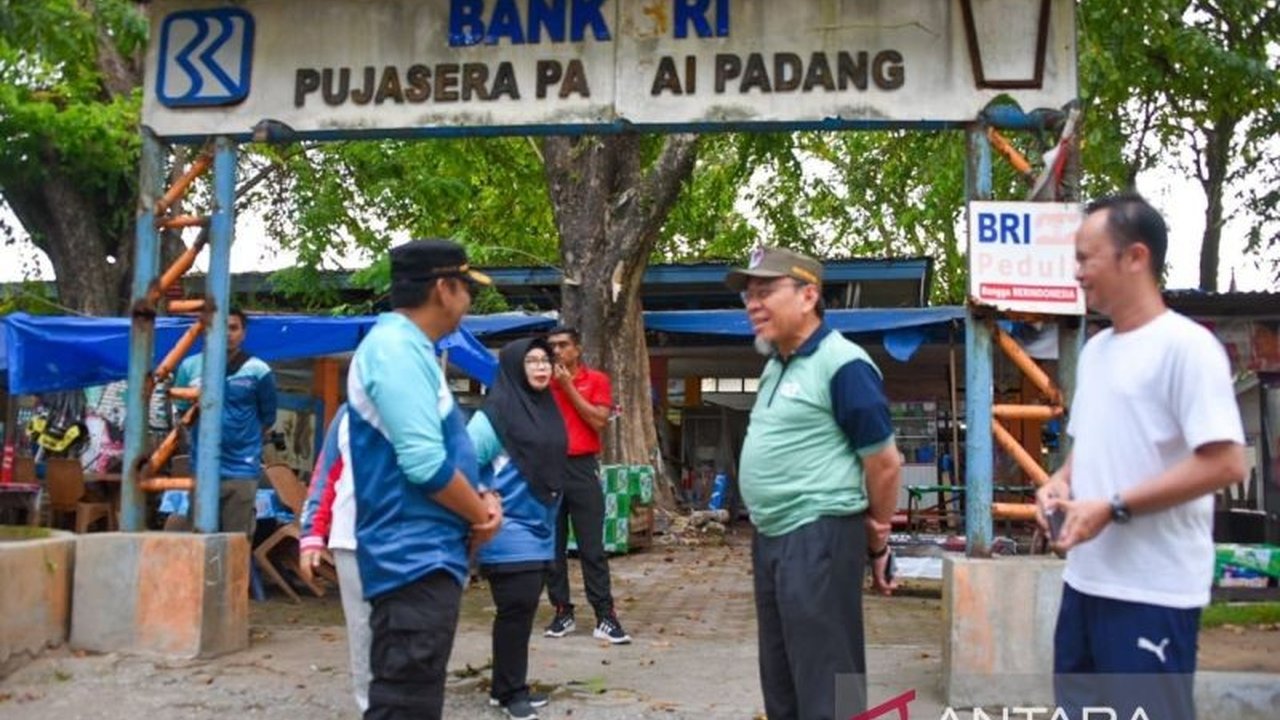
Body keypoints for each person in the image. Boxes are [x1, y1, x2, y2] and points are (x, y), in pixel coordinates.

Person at [1037, 194, 1246, 720]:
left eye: (1087, 258)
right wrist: (1060, 482)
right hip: (1085, 584)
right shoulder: (1098, 349)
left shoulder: (1188, 348)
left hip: (1153, 592)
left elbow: (1226, 463)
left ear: (1135, 257)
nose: (1077, 272)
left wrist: (1113, 506)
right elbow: (1088, 448)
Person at [726, 246, 901, 720]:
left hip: (819, 534)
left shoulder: (843, 364)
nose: (752, 304)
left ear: (808, 296)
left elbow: (884, 463)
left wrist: (877, 532)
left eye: (765, 291)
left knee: (826, 677)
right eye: (748, 295)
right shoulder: (774, 365)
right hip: (773, 537)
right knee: (781, 674)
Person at [346, 239, 503, 720]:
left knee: (416, 696)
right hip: (410, 559)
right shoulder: (396, 350)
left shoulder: (412, 349)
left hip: (426, 555)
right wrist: (481, 515)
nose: (470, 301)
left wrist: (477, 496)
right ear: (443, 288)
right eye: (467, 288)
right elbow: (423, 464)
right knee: (405, 704)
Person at [468, 338, 568, 720]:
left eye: (546, 361)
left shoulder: (545, 406)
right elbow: (466, 457)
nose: (542, 368)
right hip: (507, 525)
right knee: (517, 606)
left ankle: (504, 687)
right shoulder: (497, 412)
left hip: (541, 521)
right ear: (513, 366)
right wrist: (483, 493)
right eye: (532, 361)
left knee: (522, 609)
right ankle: (512, 693)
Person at [542, 325, 630, 644]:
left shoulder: (596, 380)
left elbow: (598, 421)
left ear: (577, 349)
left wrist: (567, 387)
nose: (557, 351)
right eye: (552, 346)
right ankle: (562, 611)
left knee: (592, 547)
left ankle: (605, 616)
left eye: (563, 345)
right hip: (549, 468)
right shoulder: (541, 384)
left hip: (582, 467)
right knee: (553, 548)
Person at [172, 307, 277, 538]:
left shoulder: (258, 370)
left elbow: (268, 418)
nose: (227, 333)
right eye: (221, 328)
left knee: (236, 541)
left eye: (233, 328)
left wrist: (242, 443)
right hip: (203, 468)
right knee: (199, 539)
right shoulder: (190, 367)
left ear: (243, 333)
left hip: (242, 469)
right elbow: (182, 414)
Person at [298, 404, 369, 714]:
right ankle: (372, 707)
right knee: (363, 629)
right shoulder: (348, 414)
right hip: (352, 538)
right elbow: (326, 473)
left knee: (414, 629)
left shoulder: (433, 403)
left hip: (414, 543)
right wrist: (312, 534)